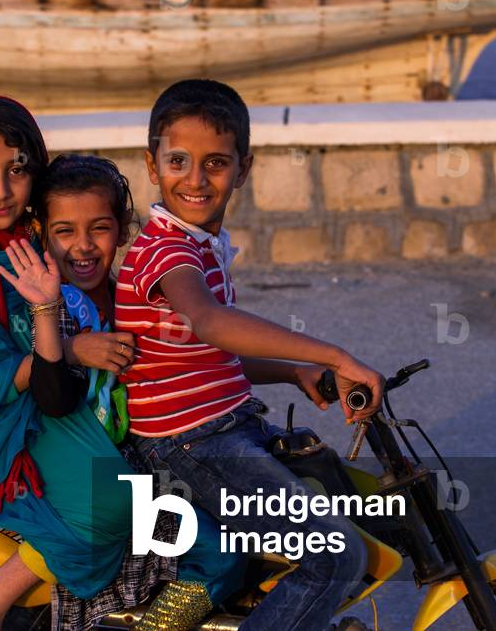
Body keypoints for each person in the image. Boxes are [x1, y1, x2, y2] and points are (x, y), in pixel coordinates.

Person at [0, 95, 240, 631]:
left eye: (17, 170)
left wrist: (289, 370)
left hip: (59, 412)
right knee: (120, 507)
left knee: (190, 521)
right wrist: (69, 345)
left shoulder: (21, 248)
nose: (1, 190)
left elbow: (182, 349)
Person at [114, 79, 384, 631]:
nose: (196, 178)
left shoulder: (200, 245)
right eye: (179, 161)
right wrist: (335, 355)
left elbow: (205, 351)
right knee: (337, 556)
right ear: (151, 164)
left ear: (244, 169)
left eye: (215, 162)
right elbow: (212, 321)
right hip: (192, 443)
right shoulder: (167, 249)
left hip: (220, 430)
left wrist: (294, 370)